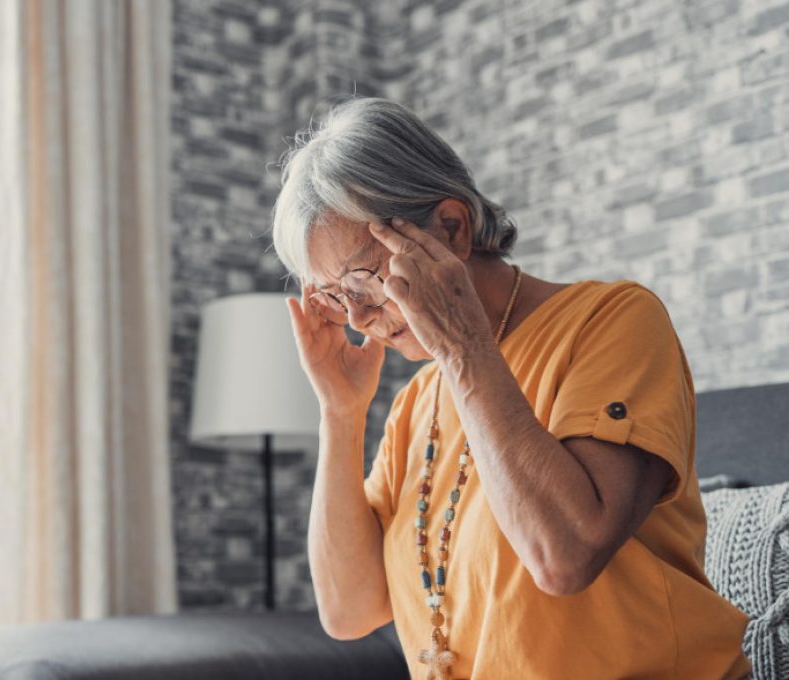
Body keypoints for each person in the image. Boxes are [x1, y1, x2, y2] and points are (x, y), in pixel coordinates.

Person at [272, 97, 751, 679]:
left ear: (452, 227)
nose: (355, 319)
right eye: (332, 296)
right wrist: (340, 412)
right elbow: (348, 612)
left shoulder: (614, 320)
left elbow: (565, 555)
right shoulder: (416, 403)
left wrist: (462, 349)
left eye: (364, 282)